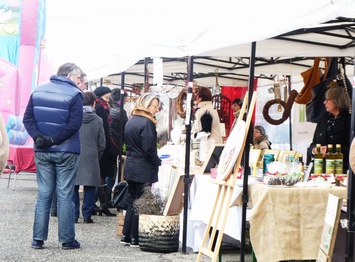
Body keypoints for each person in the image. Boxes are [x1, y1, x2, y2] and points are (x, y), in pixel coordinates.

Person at [23, 62, 83, 250]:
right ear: (69, 76)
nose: (80, 81)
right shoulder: (75, 95)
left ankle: (37, 239)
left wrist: (39, 138)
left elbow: (27, 119)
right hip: (66, 150)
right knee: (65, 195)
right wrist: (52, 139)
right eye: (78, 78)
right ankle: (67, 240)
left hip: (43, 151)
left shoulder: (38, 91)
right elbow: (74, 124)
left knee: (44, 194)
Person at [121, 93, 162, 247]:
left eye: (158, 106)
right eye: (154, 106)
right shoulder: (147, 123)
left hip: (131, 164)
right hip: (142, 166)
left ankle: (127, 235)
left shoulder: (131, 121)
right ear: (146, 105)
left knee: (133, 200)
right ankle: (135, 237)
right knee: (142, 201)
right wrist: (157, 161)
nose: (157, 109)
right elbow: (149, 149)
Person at [73, 92, 106, 223]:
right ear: (94, 103)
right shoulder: (98, 120)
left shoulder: (75, 117)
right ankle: (87, 215)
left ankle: (74, 215)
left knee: (73, 186)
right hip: (92, 155)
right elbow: (102, 142)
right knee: (91, 187)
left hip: (75, 153)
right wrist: (97, 154)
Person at [307, 87, 351, 172]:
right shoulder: (323, 120)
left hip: (340, 170)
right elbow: (312, 145)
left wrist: (330, 150)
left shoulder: (349, 121)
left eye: (328, 99)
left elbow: (351, 149)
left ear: (337, 100)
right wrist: (314, 150)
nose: (324, 102)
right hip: (319, 170)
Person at [93, 86, 116, 216]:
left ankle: (101, 204)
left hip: (101, 145)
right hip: (102, 146)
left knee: (100, 176)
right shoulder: (100, 109)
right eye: (106, 97)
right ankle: (102, 204)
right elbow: (104, 131)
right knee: (100, 176)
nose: (108, 100)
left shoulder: (101, 107)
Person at [109, 88, 128, 185]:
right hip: (116, 143)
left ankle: (105, 196)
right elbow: (126, 128)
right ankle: (108, 197)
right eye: (125, 99)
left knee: (108, 170)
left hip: (109, 143)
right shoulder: (121, 111)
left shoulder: (109, 109)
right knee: (112, 170)